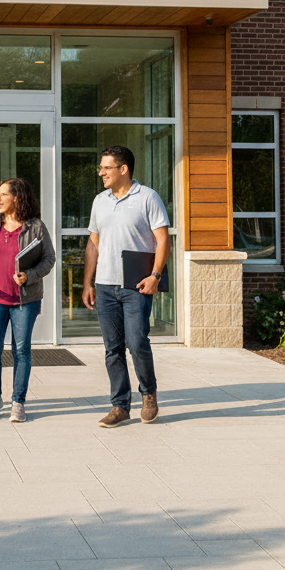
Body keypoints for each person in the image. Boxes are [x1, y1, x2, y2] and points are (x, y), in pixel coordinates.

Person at [82, 145, 170, 429]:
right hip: (105, 285)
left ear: (123, 169)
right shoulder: (100, 201)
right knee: (112, 349)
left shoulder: (147, 197)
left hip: (136, 285)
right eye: (100, 167)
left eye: (106, 167)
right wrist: (88, 282)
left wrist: (156, 275)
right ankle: (120, 406)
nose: (101, 173)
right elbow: (93, 244)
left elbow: (163, 240)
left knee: (137, 342)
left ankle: (148, 394)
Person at [0, 178, 56, 423]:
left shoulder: (35, 226)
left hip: (24, 300)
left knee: (21, 350)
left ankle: (18, 402)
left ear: (16, 197)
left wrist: (30, 275)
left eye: (2, 194)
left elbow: (49, 259)